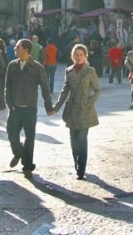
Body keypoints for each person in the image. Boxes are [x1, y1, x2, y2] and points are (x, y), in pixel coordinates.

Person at [4, 39, 53, 178]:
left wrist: (48, 106)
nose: (15, 50)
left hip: (30, 108)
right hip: (15, 108)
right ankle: (18, 153)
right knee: (11, 133)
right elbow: (7, 86)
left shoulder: (37, 67)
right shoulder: (12, 65)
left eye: (17, 47)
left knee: (29, 138)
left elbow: (45, 87)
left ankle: (27, 166)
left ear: (26, 49)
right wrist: (9, 103)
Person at [50, 44, 100, 180]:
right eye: (76, 55)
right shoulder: (68, 71)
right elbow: (65, 91)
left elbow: (97, 90)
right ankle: (76, 162)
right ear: (73, 57)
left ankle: (81, 168)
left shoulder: (90, 71)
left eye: (81, 55)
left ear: (85, 56)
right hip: (72, 111)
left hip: (85, 110)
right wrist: (56, 107)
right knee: (73, 141)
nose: (78, 57)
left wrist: (89, 103)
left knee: (82, 140)